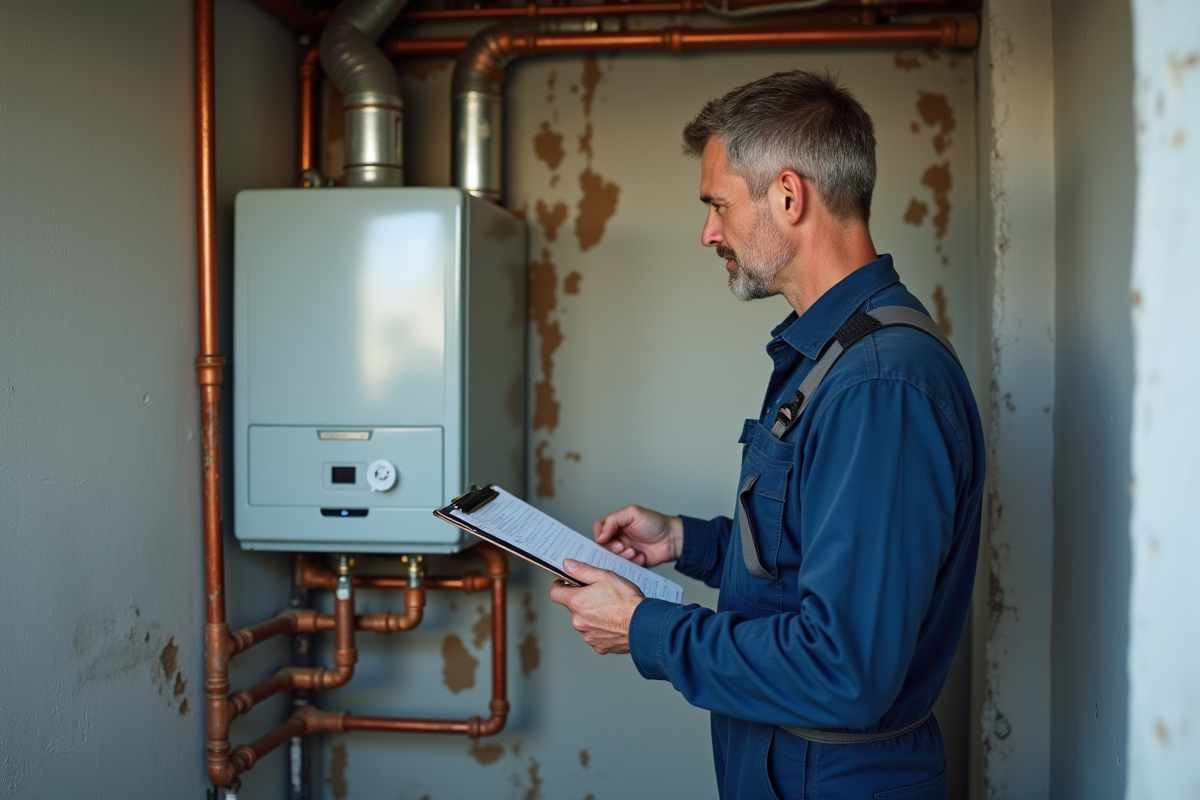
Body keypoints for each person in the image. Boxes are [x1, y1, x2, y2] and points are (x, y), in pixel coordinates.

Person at [548, 70, 984, 799]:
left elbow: (845, 670)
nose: (708, 232)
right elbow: (812, 553)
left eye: (718, 203)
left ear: (788, 195)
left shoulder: (879, 383)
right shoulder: (836, 354)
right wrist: (689, 543)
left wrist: (644, 628)